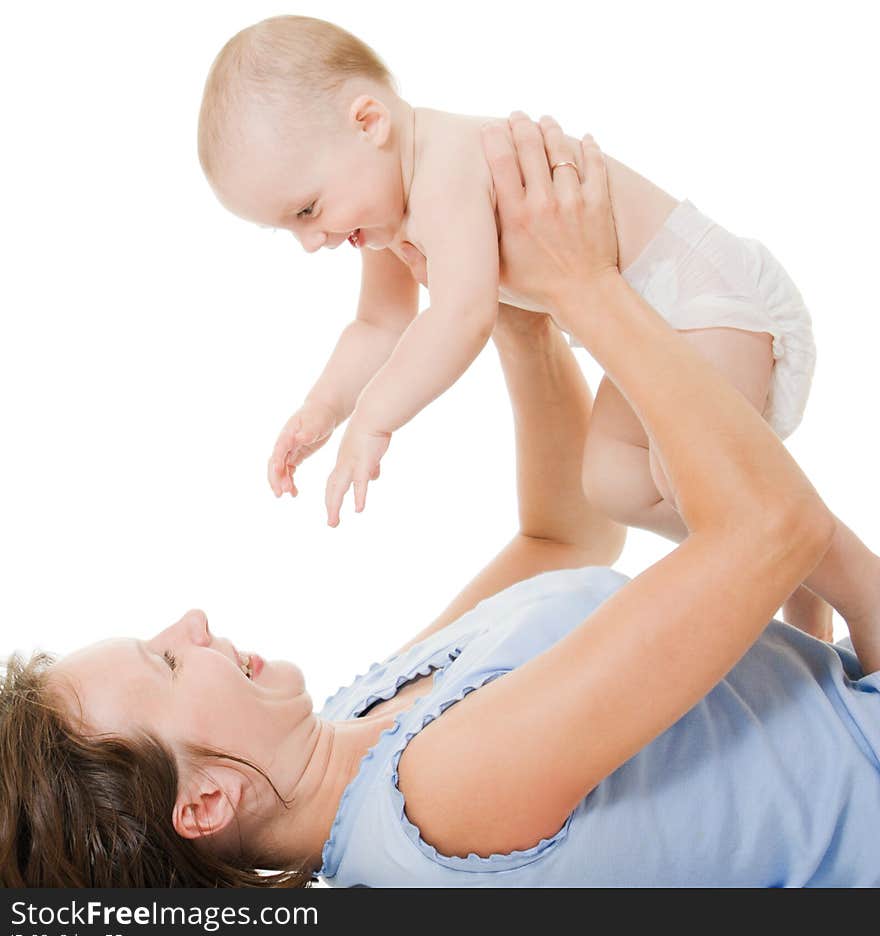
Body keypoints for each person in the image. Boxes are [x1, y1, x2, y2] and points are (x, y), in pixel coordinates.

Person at [2, 117, 878, 888]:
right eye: (165, 665)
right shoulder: (440, 795)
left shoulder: (354, 730)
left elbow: (561, 537)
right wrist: (584, 284)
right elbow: (775, 531)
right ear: (204, 803)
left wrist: (512, 312)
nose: (188, 622)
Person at [197, 14, 880, 646]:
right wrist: (324, 407)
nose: (312, 241)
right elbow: (380, 324)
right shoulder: (389, 213)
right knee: (614, 479)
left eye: (308, 209)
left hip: (707, 299)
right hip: (651, 323)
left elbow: (462, 314)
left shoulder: (446, 166)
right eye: (289, 227)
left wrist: (374, 420)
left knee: (696, 478)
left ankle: (862, 587)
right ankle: (800, 571)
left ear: (369, 120)